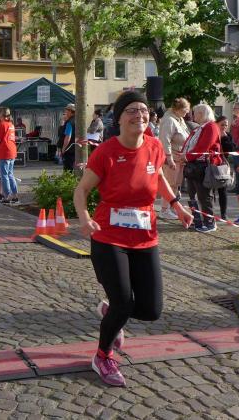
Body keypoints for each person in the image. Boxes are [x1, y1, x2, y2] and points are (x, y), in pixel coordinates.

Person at [73, 90, 193, 387]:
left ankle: (111, 309)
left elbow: (158, 177)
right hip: (109, 237)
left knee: (152, 310)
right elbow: (81, 190)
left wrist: (176, 205)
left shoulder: (154, 146)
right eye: (131, 110)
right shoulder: (106, 152)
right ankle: (103, 356)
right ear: (119, 118)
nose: (139, 115)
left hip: (144, 236)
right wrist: (84, 218)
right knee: (124, 303)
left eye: (143, 110)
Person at [180, 104, 223, 233]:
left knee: (204, 195)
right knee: (192, 193)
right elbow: (188, 143)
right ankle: (197, 219)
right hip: (194, 164)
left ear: (202, 113)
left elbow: (204, 146)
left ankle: (210, 222)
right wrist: (183, 155)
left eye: (195, 113)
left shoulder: (211, 127)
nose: (193, 115)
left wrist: (186, 156)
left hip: (203, 165)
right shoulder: (200, 128)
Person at [157, 98, 190, 219]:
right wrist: (169, 158)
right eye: (185, 109)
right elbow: (165, 140)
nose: (187, 112)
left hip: (179, 158)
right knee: (170, 184)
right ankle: (164, 209)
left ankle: (171, 208)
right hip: (172, 158)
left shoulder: (179, 119)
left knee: (176, 184)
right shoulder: (169, 120)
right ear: (178, 109)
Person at [0, 106, 19, 205]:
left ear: (1, 114)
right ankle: (15, 196)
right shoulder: (11, 124)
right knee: (10, 174)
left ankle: (7, 196)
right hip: (11, 151)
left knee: (4, 176)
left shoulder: (2, 125)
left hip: (4, 152)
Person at [215, 116, 236, 219]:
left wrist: (225, 138)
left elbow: (231, 149)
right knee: (209, 189)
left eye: (226, 125)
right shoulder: (213, 134)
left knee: (223, 190)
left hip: (223, 164)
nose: (224, 127)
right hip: (212, 163)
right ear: (217, 124)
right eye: (222, 125)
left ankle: (223, 213)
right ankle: (208, 212)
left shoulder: (228, 135)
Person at [58, 103, 76, 171]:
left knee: (68, 169)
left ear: (70, 111)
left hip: (69, 150)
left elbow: (68, 137)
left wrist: (63, 149)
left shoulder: (70, 122)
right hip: (75, 148)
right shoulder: (77, 120)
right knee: (72, 168)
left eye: (66, 110)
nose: (65, 112)